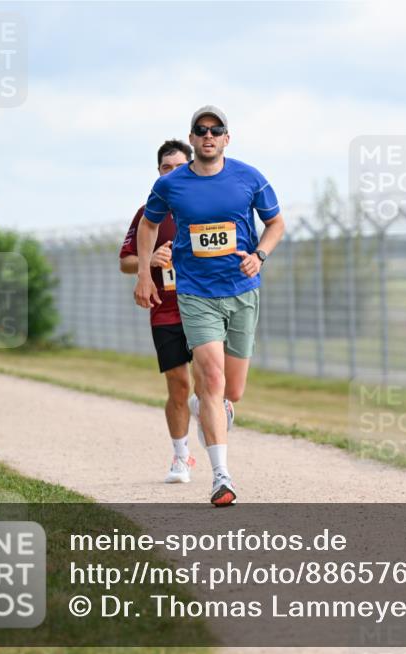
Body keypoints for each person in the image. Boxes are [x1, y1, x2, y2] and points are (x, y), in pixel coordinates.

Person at [133, 105, 285, 507]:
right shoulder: (172, 184)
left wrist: (260, 255)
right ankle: (221, 477)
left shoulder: (249, 177)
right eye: (201, 130)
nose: (208, 136)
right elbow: (148, 225)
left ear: (226, 138)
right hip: (195, 293)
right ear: (193, 136)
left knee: (232, 389)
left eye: (216, 130)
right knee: (213, 378)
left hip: (241, 289)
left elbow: (276, 224)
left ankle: (213, 406)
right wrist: (145, 274)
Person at [121, 140, 230, 484]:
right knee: (178, 384)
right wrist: (148, 261)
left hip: (204, 307)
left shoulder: (207, 207)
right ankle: (181, 458)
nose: (172, 173)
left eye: (178, 167)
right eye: (165, 168)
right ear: (159, 173)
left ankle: (210, 404)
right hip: (165, 310)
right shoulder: (147, 214)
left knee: (206, 380)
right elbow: (125, 261)